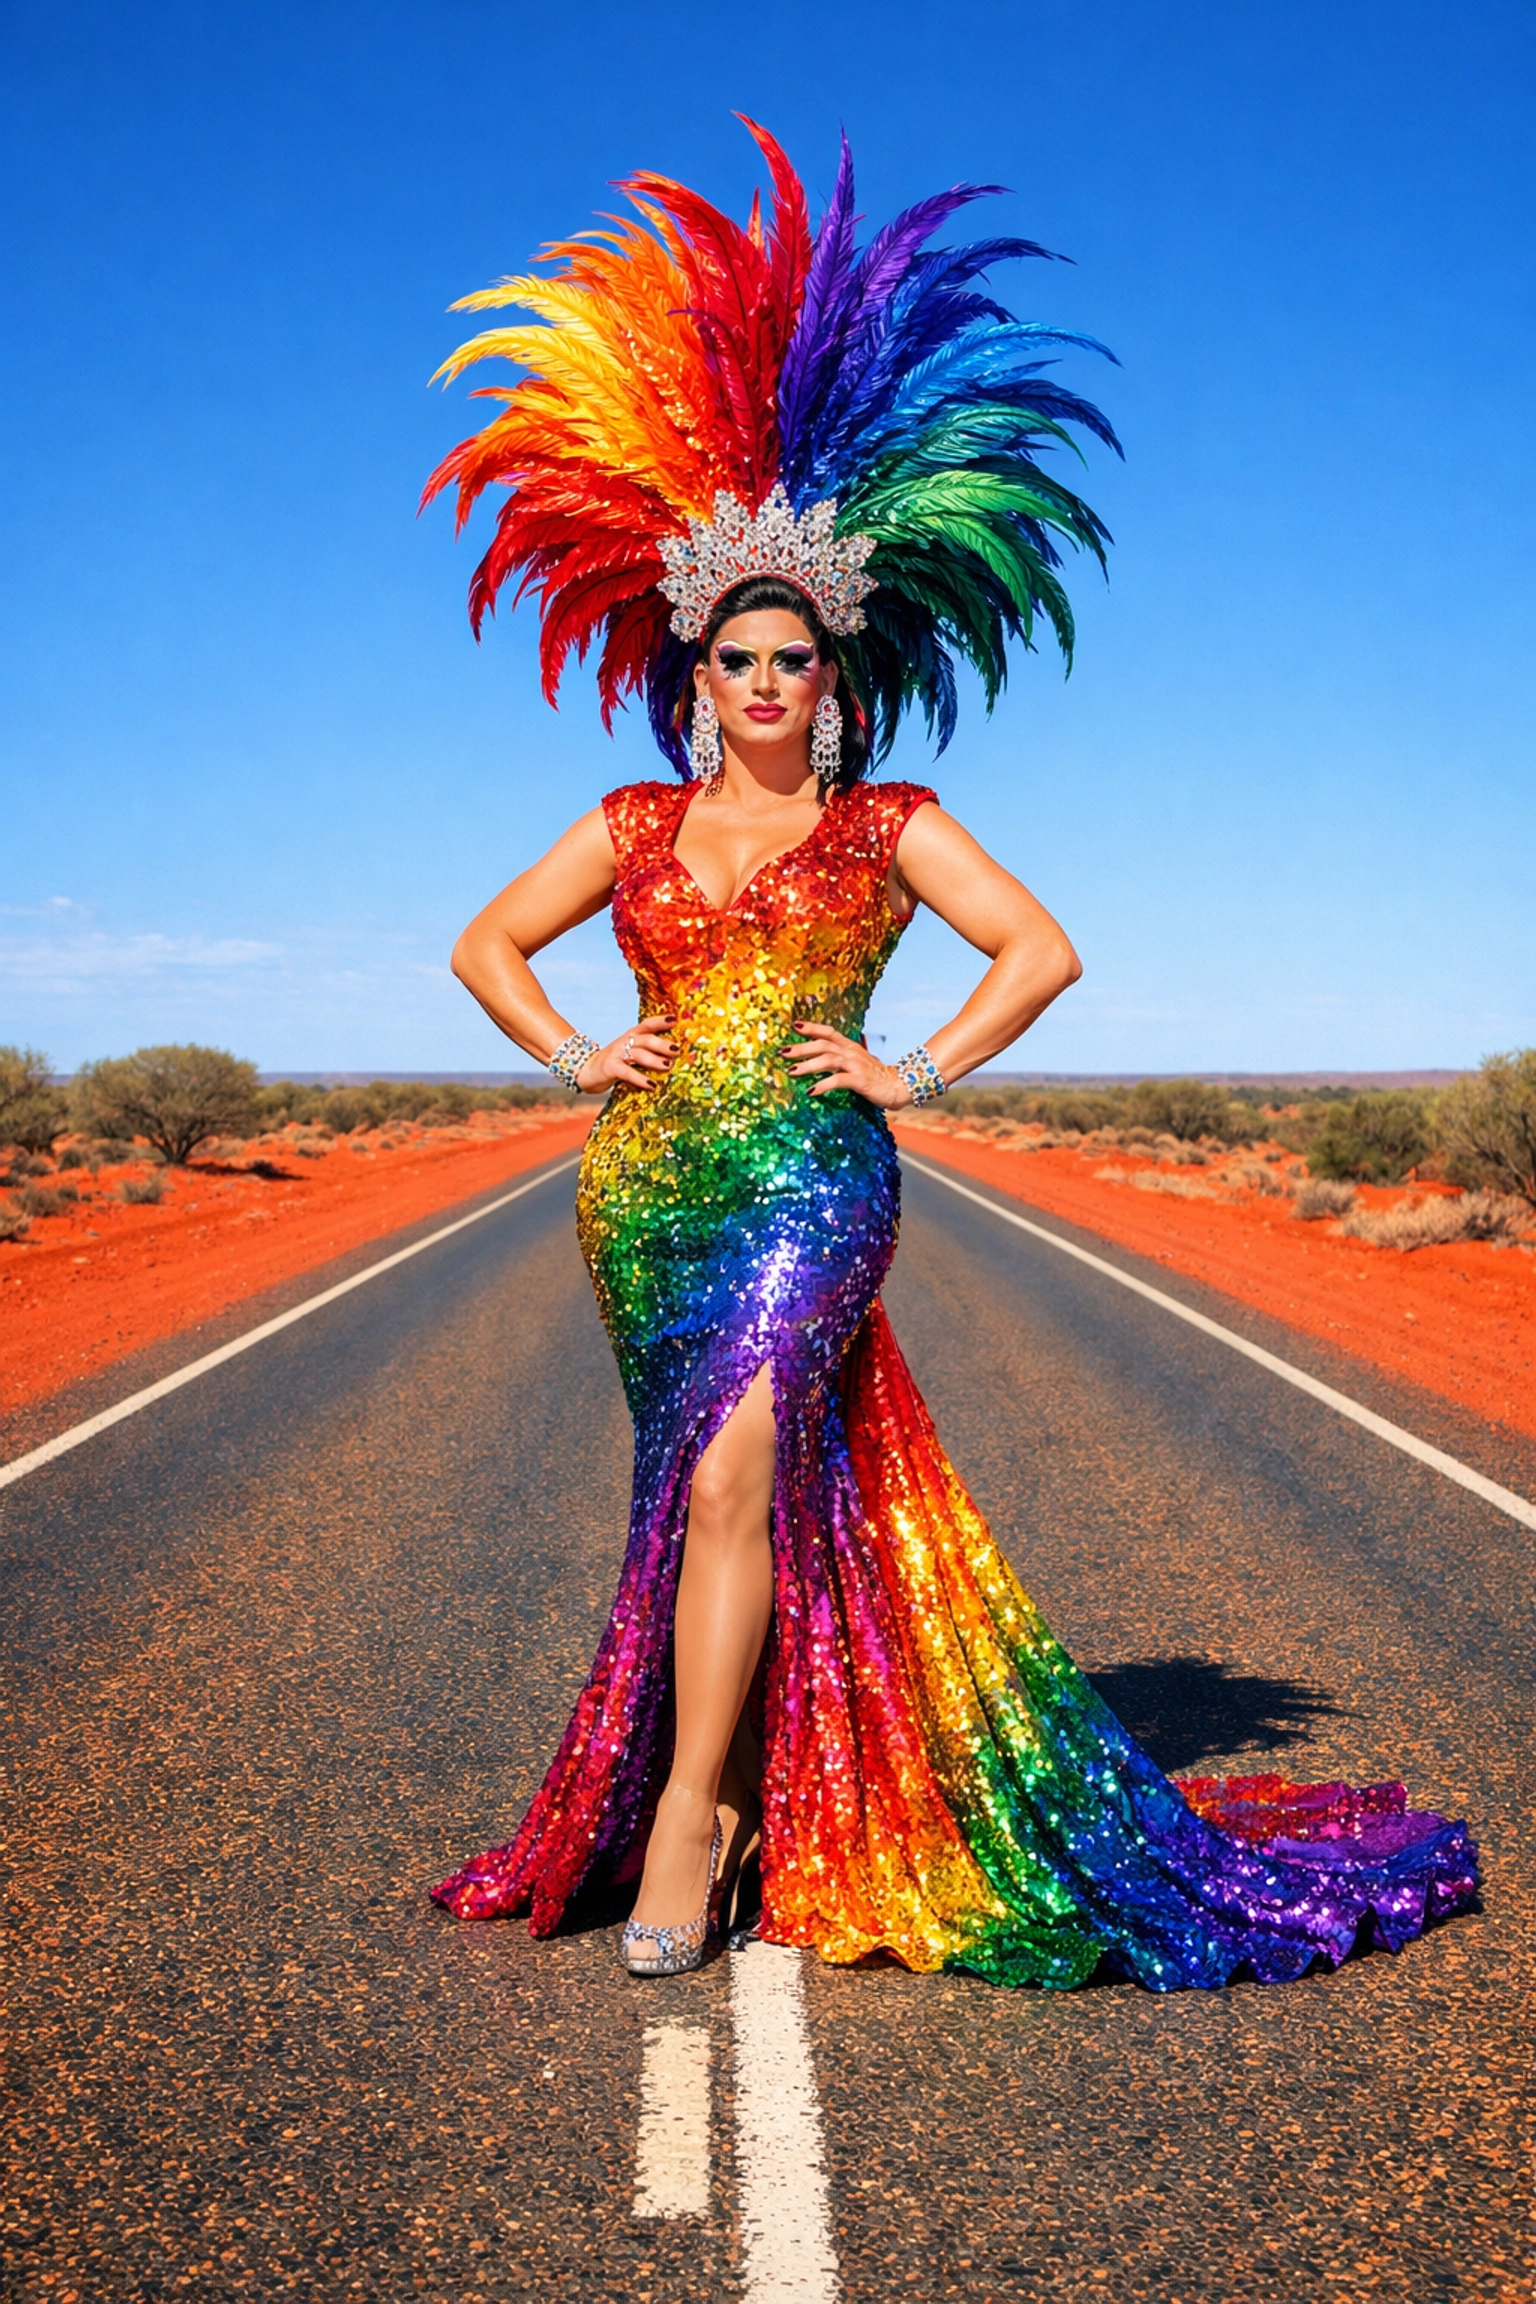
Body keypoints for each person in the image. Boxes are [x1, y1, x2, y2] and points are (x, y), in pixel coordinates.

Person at [428, 124, 1477, 1986]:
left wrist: (915, 1074)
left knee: (744, 1463)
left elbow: (1044, 950)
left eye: (797, 659)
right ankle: (749, 1773)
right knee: (703, 1480)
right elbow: (481, 942)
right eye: (739, 658)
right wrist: (575, 1046)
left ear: (835, 681)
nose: (767, 683)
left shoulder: (891, 818)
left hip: (817, 1187)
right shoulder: (630, 822)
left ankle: (696, 1812)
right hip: (651, 1183)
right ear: (697, 677)